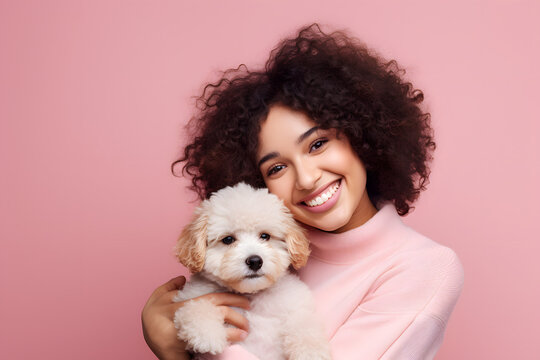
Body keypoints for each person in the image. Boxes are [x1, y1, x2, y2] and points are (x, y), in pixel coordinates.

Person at [141, 23, 464, 360]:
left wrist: (175, 351)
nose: (307, 179)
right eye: (276, 168)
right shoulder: (269, 253)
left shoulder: (423, 268)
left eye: (318, 143)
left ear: (361, 137)